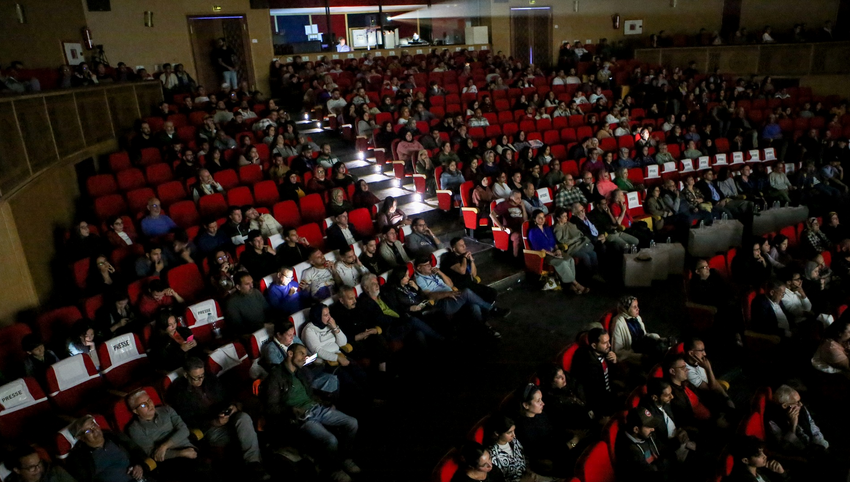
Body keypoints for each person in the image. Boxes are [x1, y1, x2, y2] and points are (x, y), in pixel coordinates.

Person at [261, 343, 360, 482]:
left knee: (352, 422)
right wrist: (291, 410)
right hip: (301, 417)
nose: (305, 357)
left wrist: (324, 403)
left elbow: (309, 395)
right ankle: (333, 469)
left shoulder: (300, 372)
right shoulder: (275, 377)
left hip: (315, 408)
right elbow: (271, 407)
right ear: (290, 354)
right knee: (330, 440)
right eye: (301, 353)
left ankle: (345, 458)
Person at [165, 358, 269, 480]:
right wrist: (214, 422)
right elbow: (188, 421)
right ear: (186, 375)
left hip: (225, 416)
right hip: (209, 426)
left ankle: (253, 464)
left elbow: (226, 394)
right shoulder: (179, 392)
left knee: (244, 418)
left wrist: (232, 406)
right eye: (196, 378)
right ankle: (248, 468)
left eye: (202, 376)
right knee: (240, 437)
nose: (200, 380)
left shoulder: (209, 378)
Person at [124, 389, 200, 481]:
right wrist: (181, 453)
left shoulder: (166, 410)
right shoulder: (135, 429)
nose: (149, 405)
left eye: (149, 400)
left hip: (188, 448)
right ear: (135, 411)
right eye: (143, 405)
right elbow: (153, 454)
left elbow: (184, 430)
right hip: (168, 460)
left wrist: (164, 446)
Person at [513, 384, 583, 477]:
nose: (543, 403)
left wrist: (572, 434)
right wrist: (573, 443)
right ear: (526, 405)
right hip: (552, 461)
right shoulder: (523, 428)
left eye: (541, 399)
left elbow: (554, 430)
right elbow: (544, 452)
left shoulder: (539, 414)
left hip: (560, 448)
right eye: (538, 401)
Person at [65, 414, 150, 482]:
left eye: (93, 425)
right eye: (88, 431)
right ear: (82, 438)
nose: (94, 430)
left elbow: (136, 450)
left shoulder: (114, 437)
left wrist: (139, 465)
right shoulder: (78, 458)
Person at [527, 209, 588, 294]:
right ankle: (576, 284)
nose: (542, 219)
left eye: (543, 217)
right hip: (544, 255)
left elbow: (554, 242)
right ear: (534, 219)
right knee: (562, 263)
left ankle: (571, 285)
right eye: (539, 218)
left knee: (569, 259)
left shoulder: (547, 229)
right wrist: (552, 254)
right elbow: (539, 248)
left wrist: (557, 249)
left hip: (554, 251)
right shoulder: (533, 232)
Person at [638, 378, 696, 464]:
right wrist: (677, 441)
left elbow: (674, 421)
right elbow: (657, 446)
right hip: (672, 450)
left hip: (680, 438)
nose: (672, 397)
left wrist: (681, 430)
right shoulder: (648, 417)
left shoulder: (664, 402)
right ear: (655, 397)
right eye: (667, 395)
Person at [570, 328, 619, 416]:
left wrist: (614, 362)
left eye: (609, 341)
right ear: (594, 346)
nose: (609, 345)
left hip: (609, 392)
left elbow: (611, 375)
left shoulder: (604, 353)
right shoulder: (587, 364)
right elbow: (594, 392)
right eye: (605, 343)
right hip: (599, 401)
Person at [615, 407, 668, 482]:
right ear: (636, 429)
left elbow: (661, 448)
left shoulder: (646, 434)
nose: (653, 429)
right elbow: (648, 474)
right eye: (649, 426)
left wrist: (677, 441)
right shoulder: (629, 450)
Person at [610, 296, 665, 364]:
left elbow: (644, 335)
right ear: (626, 308)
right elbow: (618, 351)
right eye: (634, 307)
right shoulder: (618, 323)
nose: (638, 309)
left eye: (637, 306)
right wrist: (635, 353)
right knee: (654, 356)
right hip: (632, 352)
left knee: (660, 347)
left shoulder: (637, 318)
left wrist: (654, 337)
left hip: (642, 346)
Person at [441, 237, 498, 303]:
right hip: (460, 286)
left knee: (492, 292)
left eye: (464, 244)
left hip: (470, 283)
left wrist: (471, 260)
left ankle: (490, 309)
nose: (464, 246)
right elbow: (462, 271)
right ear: (454, 249)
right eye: (461, 245)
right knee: (489, 294)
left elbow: (473, 274)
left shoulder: (463, 256)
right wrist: (465, 257)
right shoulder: (450, 258)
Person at [683, 337, 734, 410]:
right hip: (709, 400)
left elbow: (714, 381)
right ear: (691, 353)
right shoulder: (687, 371)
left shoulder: (699, 361)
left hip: (715, 392)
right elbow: (711, 389)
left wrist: (726, 397)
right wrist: (708, 368)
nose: (705, 354)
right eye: (701, 350)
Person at [484, 415, 535, 482]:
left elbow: (524, 458)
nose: (514, 435)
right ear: (497, 433)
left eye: (513, 431)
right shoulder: (492, 454)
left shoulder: (514, 441)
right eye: (509, 432)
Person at [225, 272, 270, 337]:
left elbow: (267, 311)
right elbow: (239, 329)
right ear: (238, 287)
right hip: (252, 335)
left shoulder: (256, 292)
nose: (252, 286)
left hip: (266, 328)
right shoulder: (231, 303)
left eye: (252, 282)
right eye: (247, 284)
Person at [5, 445, 76, 482]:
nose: (38, 469)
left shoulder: (55, 471)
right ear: (17, 470)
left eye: (39, 463)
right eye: (32, 467)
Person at [490, 191, 527, 257]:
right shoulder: (504, 205)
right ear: (511, 197)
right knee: (517, 237)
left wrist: (523, 208)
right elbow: (492, 214)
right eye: (517, 198)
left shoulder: (520, 205)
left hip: (521, 228)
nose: (519, 200)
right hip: (510, 230)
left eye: (520, 198)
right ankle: (515, 257)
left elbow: (525, 220)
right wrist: (500, 225)